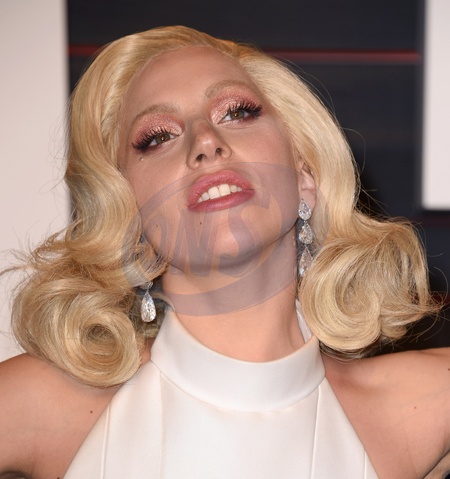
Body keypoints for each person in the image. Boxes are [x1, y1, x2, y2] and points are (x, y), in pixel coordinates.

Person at [0, 25, 449, 479]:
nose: (205, 142)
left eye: (237, 112)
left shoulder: (423, 407)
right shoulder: (40, 406)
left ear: (304, 175)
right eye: (157, 137)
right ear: (129, 213)